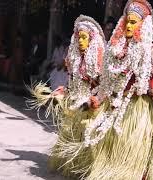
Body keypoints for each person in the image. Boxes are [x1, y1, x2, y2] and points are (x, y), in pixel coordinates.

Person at [49, 1, 153, 179]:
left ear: (144, 26)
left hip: (137, 115)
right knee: (109, 155)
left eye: (133, 22)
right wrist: (95, 101)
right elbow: (106, 87)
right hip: (114, 111)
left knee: (131, 156)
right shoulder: (115, 54)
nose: (128, 26)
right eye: (127, 22)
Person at [29, 15, 106, 178]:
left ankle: (88, 170)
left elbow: (103, 88)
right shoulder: (75, 61)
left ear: (92, 40)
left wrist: (93, 101)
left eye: (84, 38)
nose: (80, 41)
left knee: (87, 142)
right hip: (74, 106)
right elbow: (71, 86)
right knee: (71, 138)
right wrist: (61, 91)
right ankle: (75, 166)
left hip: (90, 109)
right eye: (78, 38)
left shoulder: (99, 64)